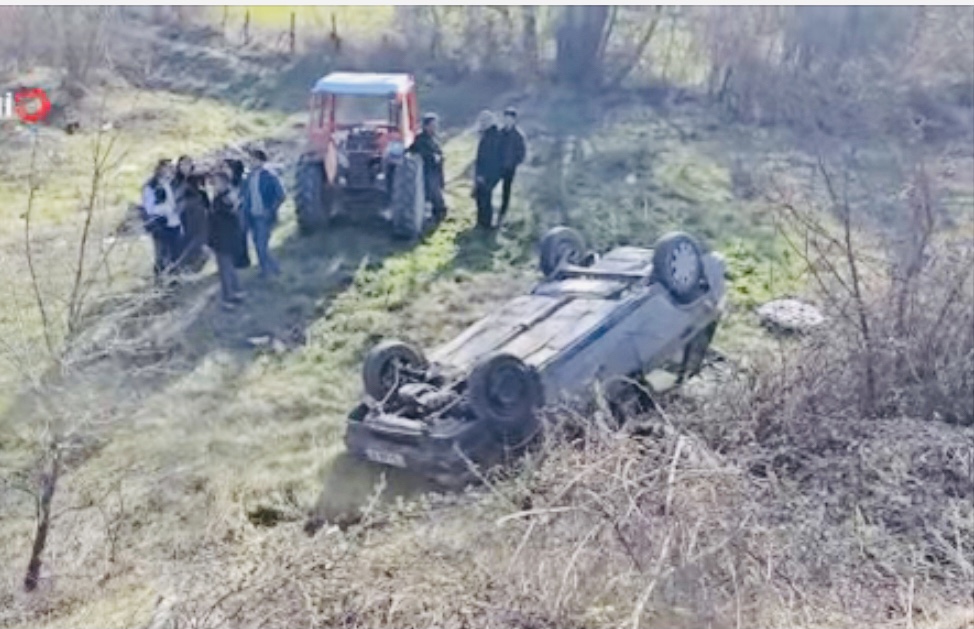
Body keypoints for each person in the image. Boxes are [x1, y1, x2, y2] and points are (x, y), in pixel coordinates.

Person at [241, 149, 286, 278]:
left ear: (261, 161)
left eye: (253, 159)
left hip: (264, 217)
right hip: (252, 216)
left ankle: (271, 270)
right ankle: (269, 269)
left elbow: (281, 195)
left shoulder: (270, 176)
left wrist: (271, 210)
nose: (251, 162)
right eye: (250, 159)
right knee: (257, 245)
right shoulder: (249, 177)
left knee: (262, 246)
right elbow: (245, 196)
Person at [207, 171, 246, 309]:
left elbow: (221, 218)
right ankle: (237, 292)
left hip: (223, 239)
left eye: (216, 182)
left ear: (224, 182)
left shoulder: (224, 199)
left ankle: (228, 298)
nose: (213, 185)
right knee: (230, 268)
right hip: (226, 238)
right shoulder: (226, 196)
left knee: (225, 270)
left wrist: (211, 241)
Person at [141, 158, 181, 280]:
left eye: (171, 167)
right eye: (167, 167)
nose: (170, 170)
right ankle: (160, 279)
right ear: (160, 169)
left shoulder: (173, 183)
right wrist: (165, 209)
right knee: (161, 253)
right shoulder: (151, 186)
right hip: (160, 224)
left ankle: (173, 278)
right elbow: (149, 208)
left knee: (175, 252)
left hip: (174, 222)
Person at [408, 113, 447, 223]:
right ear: (426, 126)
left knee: (437, 195)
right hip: (426, 174)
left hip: (435, 172)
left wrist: (439, 157)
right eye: (432, 125)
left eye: (436, 125)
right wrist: (433, 157)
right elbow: (419, 153)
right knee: (433, 197)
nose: (435, 128)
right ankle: (434, 216)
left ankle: (436, 216)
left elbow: (438, 152)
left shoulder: (433, 139)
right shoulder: (420, 140)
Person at [472, 110, 503, 229]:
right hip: (488, 173)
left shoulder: (492, 137)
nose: (482, 123)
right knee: (482, 197)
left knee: (484, 197)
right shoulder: (489, 135)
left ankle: (485, 223)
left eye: (484, 121)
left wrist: (482, 175)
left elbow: (488, 158)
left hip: (488, 174)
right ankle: (482, 222)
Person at [497, 107, 527, 226]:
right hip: (497, 166)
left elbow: (522, 152)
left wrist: (515, 162)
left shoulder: (518, 136)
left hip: (509, 168)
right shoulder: (500, 133)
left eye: (510, 119)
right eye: (506, 118)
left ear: (514, 120)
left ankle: (502, 213)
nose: (507, 121)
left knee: (506, 190)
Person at [175, 172, 210, 273]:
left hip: (193, 227)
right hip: (197, 227)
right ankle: (185, 268)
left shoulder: (186, 196)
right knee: (196, 248)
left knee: (194, 248)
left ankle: (185, 268)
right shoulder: (195, 197)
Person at [223, 158, 251, 270]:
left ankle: (243, 261)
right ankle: (236, 260)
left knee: (241, 236)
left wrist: (237, 203)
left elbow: (245, 195)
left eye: (227, 168)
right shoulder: (227, 182)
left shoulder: (242, 181)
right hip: (230, 213)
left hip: (241, 212)